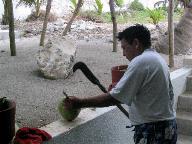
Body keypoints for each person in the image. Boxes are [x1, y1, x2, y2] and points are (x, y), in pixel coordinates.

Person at [65, 24, 177, 144]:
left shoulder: (141, 61)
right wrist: (121, 88)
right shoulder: (156, 58)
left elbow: (114, 98)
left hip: (153, 130)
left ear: (136, 43)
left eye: (124, 48)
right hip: (167, 126)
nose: (123, 54)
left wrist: (80, 103)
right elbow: (148, 91)